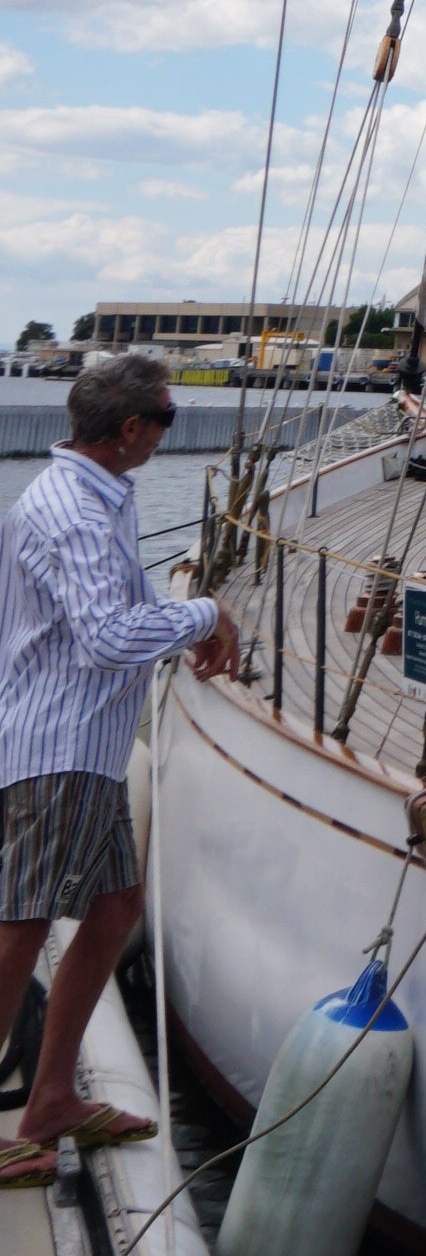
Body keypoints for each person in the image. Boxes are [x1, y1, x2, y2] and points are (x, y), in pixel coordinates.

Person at [0, 350, 238, 1177]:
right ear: (131, 428)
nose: (169, 430)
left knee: (113, 909)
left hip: (83, 748)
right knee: (22, 925)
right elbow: (106, 639)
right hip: (58, 747)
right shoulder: (76, 511)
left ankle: (52, 1097)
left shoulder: (91, 494)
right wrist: (204, 614)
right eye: (166, 418)